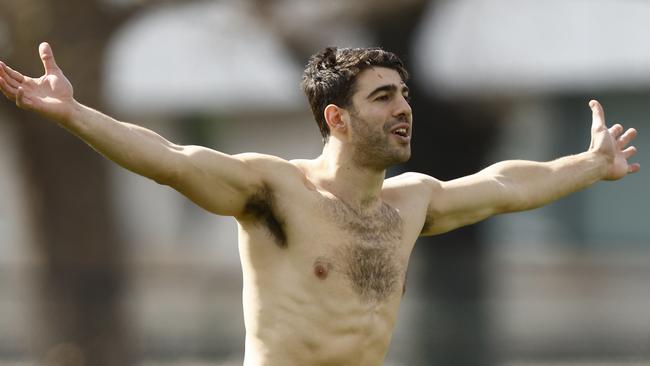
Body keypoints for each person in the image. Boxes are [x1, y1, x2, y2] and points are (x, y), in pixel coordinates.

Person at [0, 43, 640, 366]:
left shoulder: (411, 203)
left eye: (403, 93)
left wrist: (587, 165)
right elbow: (169, 158)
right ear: (336, 117)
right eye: (383, 97)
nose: (404, 107)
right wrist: (75, 114)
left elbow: (504, 186)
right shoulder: (274, 189)